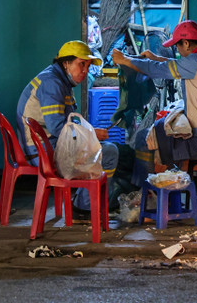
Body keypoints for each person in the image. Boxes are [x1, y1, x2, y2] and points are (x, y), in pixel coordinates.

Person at [16, 40, 128, 213]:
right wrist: (91, 134)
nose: (85, 71)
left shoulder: (59, 80)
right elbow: (57, 127)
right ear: (66, 63)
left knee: (106, 149)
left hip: (48, 146)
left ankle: (87, 201)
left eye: (88, 66)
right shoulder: (52, 83)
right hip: (42, 152)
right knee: (109, 152)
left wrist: (89, 134)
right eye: (81, 64)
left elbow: (67, 124)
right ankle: (85, 207)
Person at [112, 20, 197, 174]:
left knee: (147, 139)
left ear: (186, 44)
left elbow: (157, 70)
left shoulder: (195, 62)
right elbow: (182, 66)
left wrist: (125, 60)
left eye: (177, 46)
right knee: (161, 132)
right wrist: (156, 58)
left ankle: (156, 186)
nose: (178, 50)